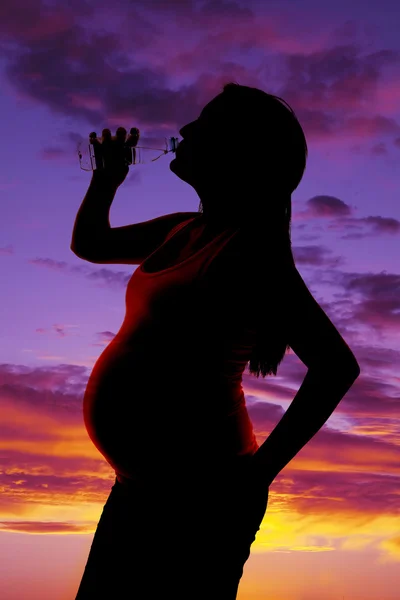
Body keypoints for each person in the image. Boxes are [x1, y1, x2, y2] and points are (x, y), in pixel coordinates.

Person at [71, 82, 360, 599]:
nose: (184, 131)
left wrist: (257, 478)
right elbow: (91, 244)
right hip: (138, 488)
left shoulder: (250, 251)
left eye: (202, 125)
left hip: (201, 502)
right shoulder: (183, 228)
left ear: (236, 151)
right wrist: (106, 180)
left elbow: (336, 366)